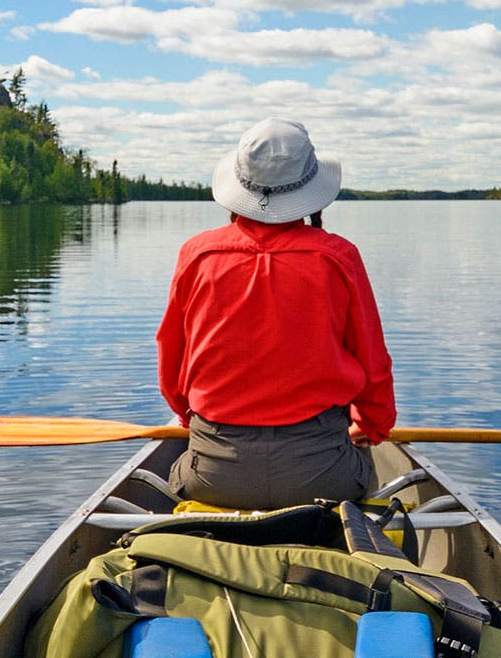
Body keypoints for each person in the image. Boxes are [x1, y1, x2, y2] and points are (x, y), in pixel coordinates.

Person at [156, 117, 395, 509]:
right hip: (323, 477)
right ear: (311, 193)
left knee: (179, 471)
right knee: (365, 464)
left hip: (213, 474)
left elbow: (171, 359)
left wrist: (188, 418)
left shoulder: (196, 254)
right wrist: (372, 427)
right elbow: (373, 366)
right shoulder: (339, 257)